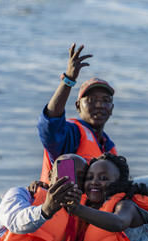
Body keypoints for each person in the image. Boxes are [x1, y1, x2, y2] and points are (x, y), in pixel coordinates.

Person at [38, 43, 117, 184]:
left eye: (105, 100)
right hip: (61, 205)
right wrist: (68, 80)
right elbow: (50, 126)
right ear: (78, 106)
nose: (99, 105)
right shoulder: (71, 134)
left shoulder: (109, 147)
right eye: (91, 100)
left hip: (90, 206)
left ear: (111, 108)